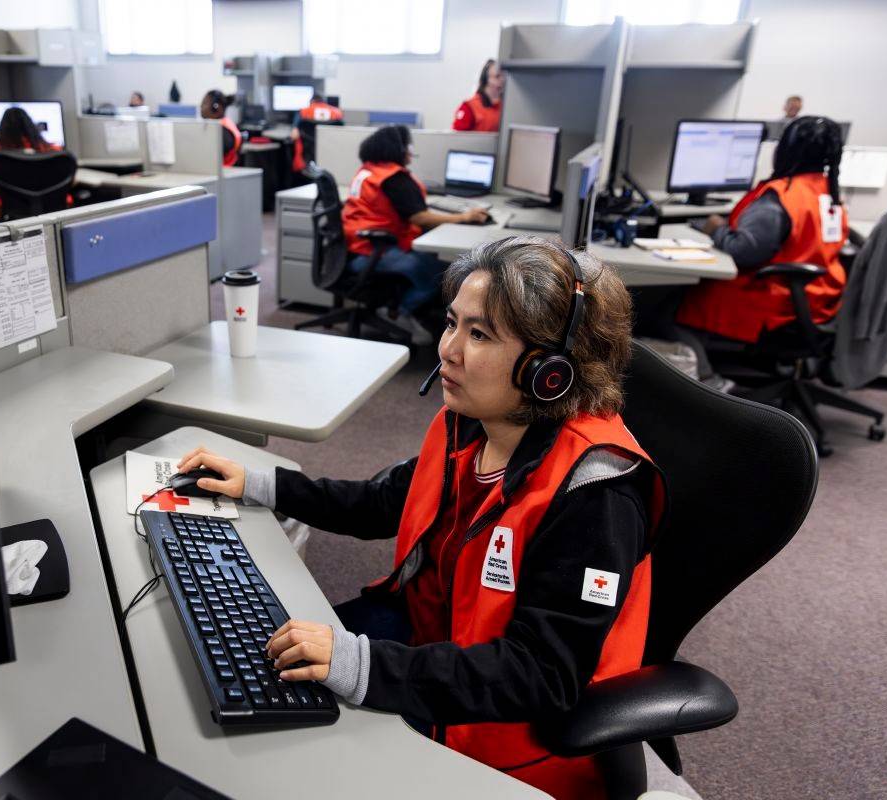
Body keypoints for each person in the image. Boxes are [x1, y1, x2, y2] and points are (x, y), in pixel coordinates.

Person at [175, 237, 665, 799]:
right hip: (433, 638)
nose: (448, 350)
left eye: (479, 334)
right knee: (265, 667)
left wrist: (365, 667)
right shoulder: (473, 426)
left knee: (292, 757)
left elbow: (542, 676)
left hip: (501, 724)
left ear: (550, 370)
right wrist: (264, 483)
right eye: (452, 323)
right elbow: (384, 502)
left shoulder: (596, 494)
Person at [674, 116, 848, 383]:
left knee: (665, 307)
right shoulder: (827, 191)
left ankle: (709, 381)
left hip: (777, 301)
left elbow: (743, 251)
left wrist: (714, 229)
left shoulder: (784, 196)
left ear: (786, 149)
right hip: (818, 297)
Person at [341, 124, 489, 344]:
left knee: (433, 263)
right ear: (397, 149)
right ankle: (398, 313)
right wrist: (463, 217)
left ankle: (403, 309)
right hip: (375, 251)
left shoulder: (368, 171)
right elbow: (419, 217)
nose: (411, 150)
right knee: (444, 274)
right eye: (408, 146)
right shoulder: (394, 179)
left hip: (356, 247)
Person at [0, 107, 63, 219]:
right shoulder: (53, 150)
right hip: (52, 212)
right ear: (31, 126)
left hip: (4, 213)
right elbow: (71, 181)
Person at [290, 92, 344, 172]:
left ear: (312, 102)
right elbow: (343, 134)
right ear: (324, 102)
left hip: (308, 156)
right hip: (331, 152)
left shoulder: (303, 112)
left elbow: (293, 135)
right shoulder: (337, 112)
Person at [452, 59, 504, 132]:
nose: (502, 80)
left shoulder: (506, 108)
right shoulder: (469, 107)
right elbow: (456, 139)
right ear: (485, 80)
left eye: (504, 77)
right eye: (497, 77)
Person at [201, 89, 241, 167]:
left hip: (222, 173)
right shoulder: (223, 124)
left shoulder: (223, 131)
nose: (201, 106)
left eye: (205, 103)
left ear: (216, 108)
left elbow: (210, 155)